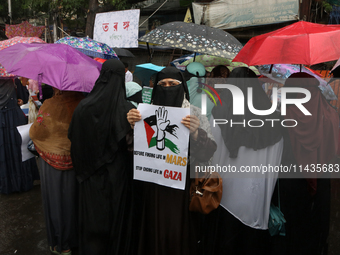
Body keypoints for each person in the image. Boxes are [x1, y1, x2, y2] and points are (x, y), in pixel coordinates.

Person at [127, 66, 217, 255]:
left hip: (181, 188)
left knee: (177, 231)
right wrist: (132, 127)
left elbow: (209, 152)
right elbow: (132, 150)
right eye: (163, 84)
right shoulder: (145, 113)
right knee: (153, 228)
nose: (167, 88)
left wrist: (195, 133)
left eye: (173, 84)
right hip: (152, 187)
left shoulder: (194, 113)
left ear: (182, 87)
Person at [204, 67, 283, 255]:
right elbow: (275, 164)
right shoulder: (275, 120)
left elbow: (212, 157)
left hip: (222, 198)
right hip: (256, 201)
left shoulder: (220, 113)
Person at [68, 59, 136, 255]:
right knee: (114, 220)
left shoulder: (83, 107)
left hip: (88, 178)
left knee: (92, 220)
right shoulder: (127, 109)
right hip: (117, 178)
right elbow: (131, 146)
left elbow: (73, 138)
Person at [268, 72, 339, 255]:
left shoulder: (282, 114)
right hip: (321, 180)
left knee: (291, 231)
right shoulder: (330, 114)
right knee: (314, 229)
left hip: (290, 184)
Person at [29, 87, 84, 255]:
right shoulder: (83, 105)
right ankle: (75, 239)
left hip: (50, 162)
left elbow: (36, 132)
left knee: (55, 201)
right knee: (74, 201)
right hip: (76, 162)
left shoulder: (49, 105)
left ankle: (60, 243)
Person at [0, 78, 39, 194]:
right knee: (19, 149)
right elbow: (23, 96)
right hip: (14, 118)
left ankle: (5, 184)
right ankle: (22, 181)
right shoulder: (13, 80)